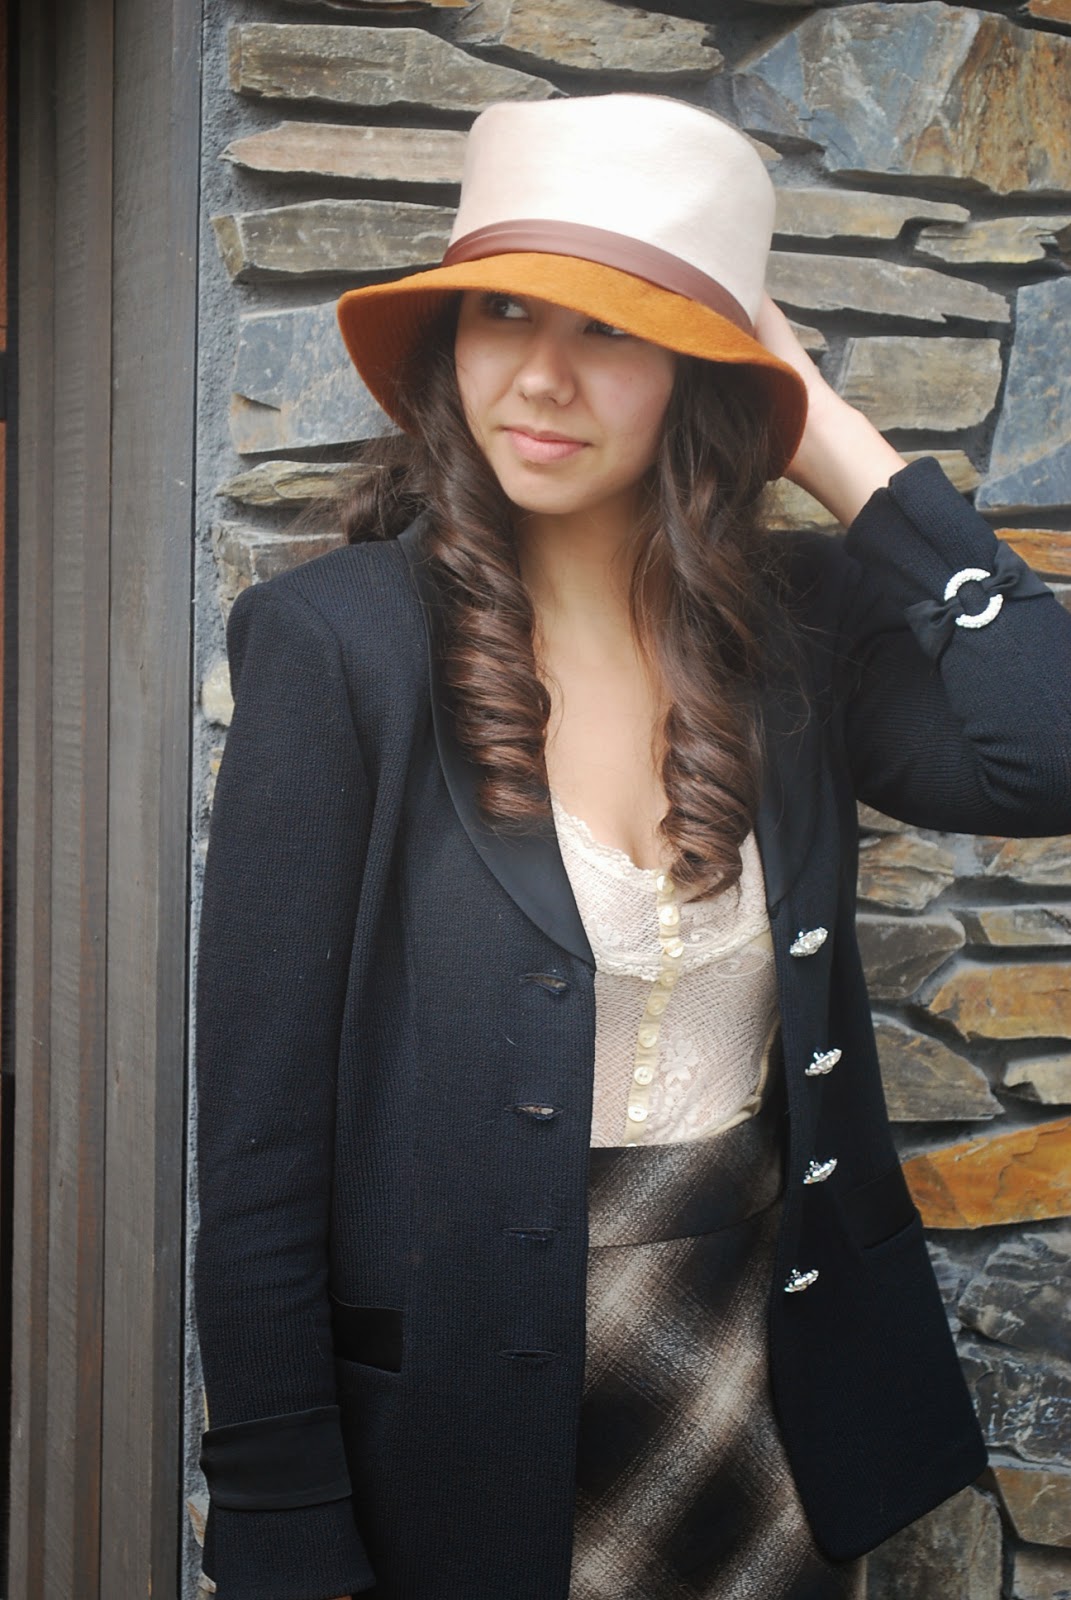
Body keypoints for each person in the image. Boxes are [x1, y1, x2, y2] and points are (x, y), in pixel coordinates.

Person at [193, 95, 1071, 1600]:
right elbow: (261, 1146)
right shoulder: (337, 649)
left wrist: (833, 435)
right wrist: (284, 1522)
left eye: (609, 327)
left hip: (760, 1403)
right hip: (462, 1423)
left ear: (700, 370)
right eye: (503, 312)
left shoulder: (796, 631)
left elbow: (1046, 747)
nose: (539, 376)